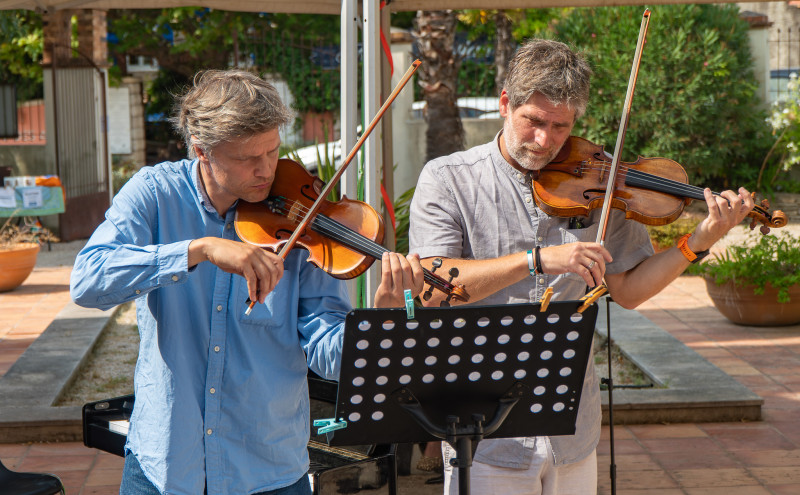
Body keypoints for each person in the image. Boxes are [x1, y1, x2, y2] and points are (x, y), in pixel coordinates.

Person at [408, 39, 755, 495]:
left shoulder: (602, 181)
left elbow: (629, 290)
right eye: (534, 121)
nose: (545, 141)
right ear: (505, 103)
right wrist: (535, 261)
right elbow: (433, 288)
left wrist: (700, 242)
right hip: (484, 432)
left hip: (573, 423)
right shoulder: (448, 179)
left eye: (561, 126)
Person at [71, 69, 424, 495]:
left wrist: (379, 322)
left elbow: (329, 355)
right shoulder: (154, 194)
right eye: (246, 159)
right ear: (202, 150)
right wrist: (197, 250)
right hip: (166, 468)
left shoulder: (303, 221)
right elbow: (88, 281)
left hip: (268, 473)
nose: (266, 171)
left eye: (273, 151)